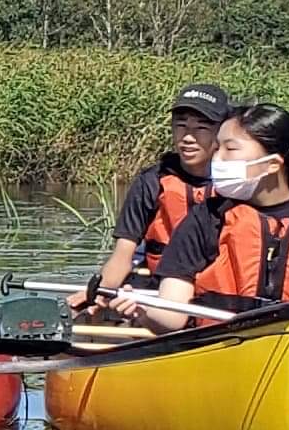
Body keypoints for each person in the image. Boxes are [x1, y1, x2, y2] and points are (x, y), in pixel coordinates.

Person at [136, 101, 289, 340]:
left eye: (230, 149)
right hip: (220, 349)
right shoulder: (205, 220)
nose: (217, 159)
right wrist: (144, 313)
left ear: (272, 164)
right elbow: (172, 314)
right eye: (216, 148)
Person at [92, 81, 235, 298]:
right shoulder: (152, 182)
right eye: (181, 126)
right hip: (158, 290)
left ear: (222, 132)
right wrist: (98, 296)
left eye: (201, 128)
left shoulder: (237, 184)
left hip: (216, 295)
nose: (188, 137)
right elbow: (123, 255)